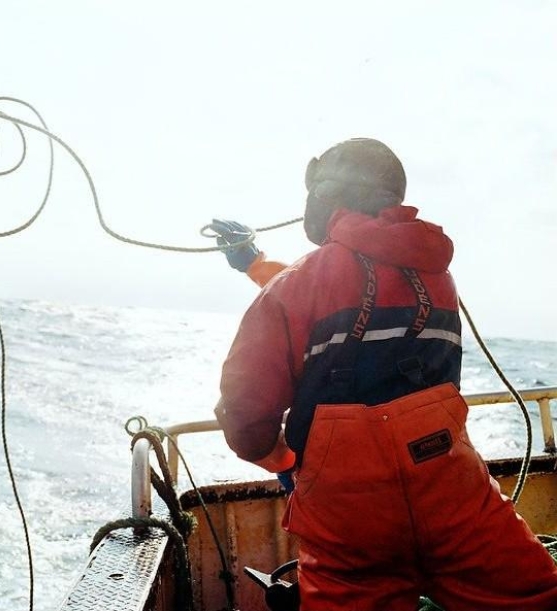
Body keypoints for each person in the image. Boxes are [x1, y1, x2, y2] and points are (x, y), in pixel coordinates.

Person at [210, 138, 557, 611]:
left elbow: (247, 413)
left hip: (349, 522)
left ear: (327, 196)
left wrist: (281, 459)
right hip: (453, 497)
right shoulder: (438, 276)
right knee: (535, 596)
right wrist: (255, 264)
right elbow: (353, 279)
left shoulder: (299, 284)